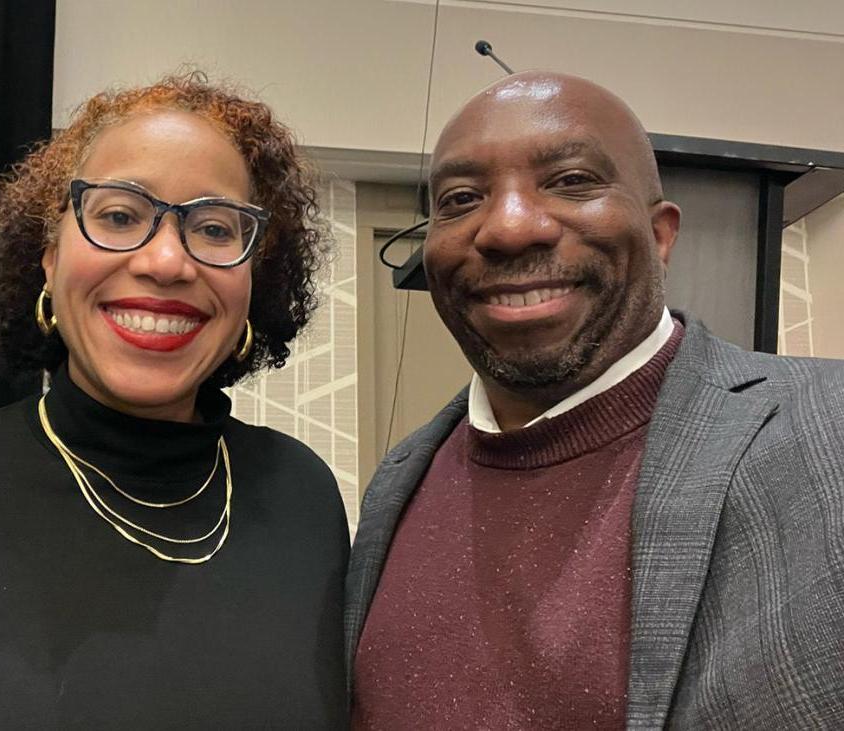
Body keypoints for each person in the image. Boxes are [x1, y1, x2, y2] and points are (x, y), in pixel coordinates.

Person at [0, 73, 349, 728]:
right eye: (120, 215)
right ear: (49, 257)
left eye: (213, 227)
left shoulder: (303, 495)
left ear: (255, 275)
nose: (167, 261)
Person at [348, 71, 844, 728]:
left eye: (571, 181)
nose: (509, 226)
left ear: (661, 234)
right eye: (463, 197)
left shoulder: (826, 433)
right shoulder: (397, 483)